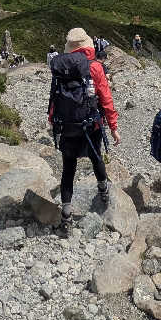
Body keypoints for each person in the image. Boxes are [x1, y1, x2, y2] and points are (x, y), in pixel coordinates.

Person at [49, 27, 120, 231]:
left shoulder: (60, 68)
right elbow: (106, 98)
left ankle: (66, 214)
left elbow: (53, 98)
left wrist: (53, 121)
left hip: (66, 126)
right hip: (91, 125)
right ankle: (103, 190)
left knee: (68, 168)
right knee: (96, 157)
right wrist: (113, 127)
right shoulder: (95, 67)